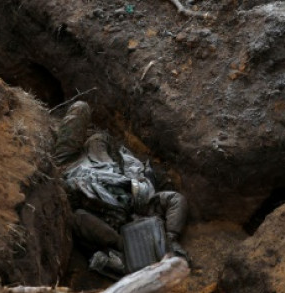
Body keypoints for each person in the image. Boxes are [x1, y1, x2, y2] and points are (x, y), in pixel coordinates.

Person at [54, 101, 189, 277]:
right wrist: (171, 238)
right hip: (101, 162)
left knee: (82, 109)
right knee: (98, 136)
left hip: (68, 165)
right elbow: (176, 200)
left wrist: (121, 242)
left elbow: (78, 219)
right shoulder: (141, 199)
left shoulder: (111, 229)